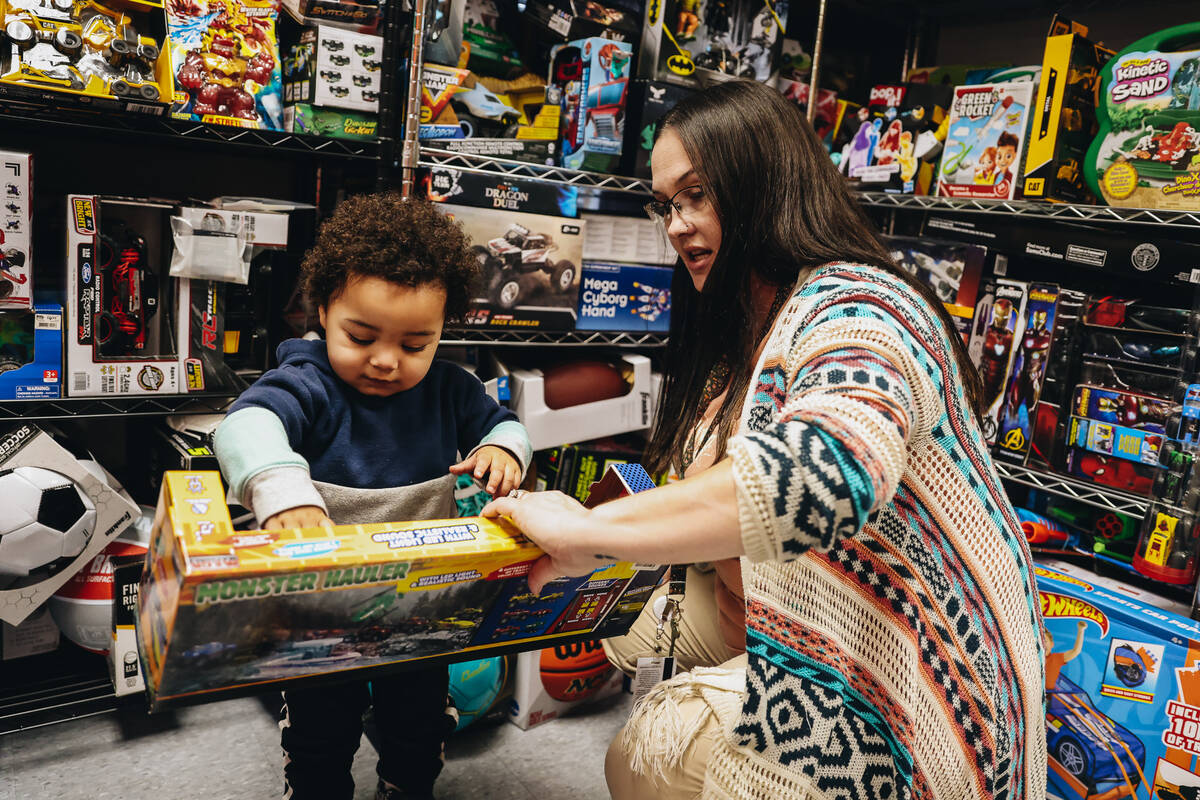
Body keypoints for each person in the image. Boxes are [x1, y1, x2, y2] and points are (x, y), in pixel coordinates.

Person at [483, 80, 1046, 800]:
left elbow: (830, 469)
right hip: (796, 617)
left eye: (698, 195)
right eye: (666, 205)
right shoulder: (749, 324)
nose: (678, 225)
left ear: (764, 183)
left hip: (909, 683)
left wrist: (591, 531)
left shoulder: (858, 306)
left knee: (644, 753)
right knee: (623, 622)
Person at [214, 193, 531, 800]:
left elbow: (505, 424)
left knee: (416, 730)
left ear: (442, 332)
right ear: (324, 310)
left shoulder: (449, 390)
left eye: (416, 345)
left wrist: (504, 451)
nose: (386, 361)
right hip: (321, 609)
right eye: (360, 336)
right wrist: (282, 492)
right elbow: (243, 425)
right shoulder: (306, 382)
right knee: (319, 735)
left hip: (418, 604)